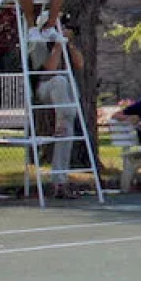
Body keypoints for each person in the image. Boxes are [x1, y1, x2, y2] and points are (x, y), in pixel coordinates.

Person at [35, 36, 84, 199]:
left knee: (65, 135)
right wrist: (57, 45)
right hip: (45, 87)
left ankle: (60, 182)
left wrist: (69, 43)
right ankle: (70, 113)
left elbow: (79, 64)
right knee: (60, 80)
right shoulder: (38, 42)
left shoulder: (65, 43)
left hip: (64, 96)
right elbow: (49, 69)